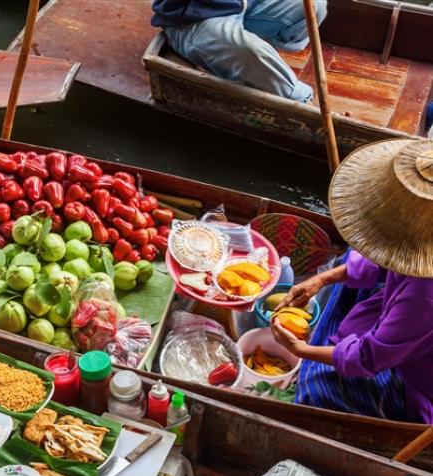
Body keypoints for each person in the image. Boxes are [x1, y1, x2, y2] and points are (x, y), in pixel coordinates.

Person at [270, 138, 433, 423]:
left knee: (316, 390)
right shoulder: (413, 247)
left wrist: (300, 350)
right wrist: (321, 280)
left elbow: (369, 359)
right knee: (351, 259)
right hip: (402, 311)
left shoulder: (423, 298)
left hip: (414, 378)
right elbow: (382, 258)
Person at [151, 0, 327, 103]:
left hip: (242, 5)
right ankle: (300, 99)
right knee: (252, 52)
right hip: (194, 17)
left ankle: (251, 57)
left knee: (315, 5)